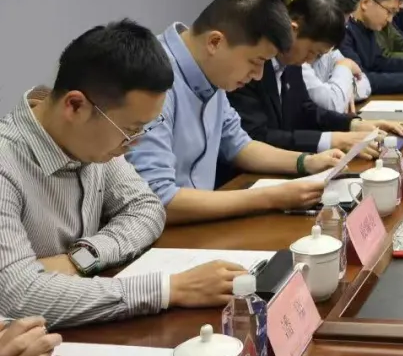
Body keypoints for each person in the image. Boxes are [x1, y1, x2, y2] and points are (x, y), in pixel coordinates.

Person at [0, 22, 249, 329]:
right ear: (75, 106)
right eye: (130, 129)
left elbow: (147, 208)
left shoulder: (94, 143)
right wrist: (169, 290)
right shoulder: (6, 164)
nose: (134, 143)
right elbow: (18, 296)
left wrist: (83, 257)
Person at [126, 0, 345, 225]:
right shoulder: (152, 76)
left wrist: (305, 162)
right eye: (256, 61)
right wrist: (271, 198)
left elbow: (239, 145)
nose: (258, 75)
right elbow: (157, 200)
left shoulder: (211, 71)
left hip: (199, 226)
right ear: (215, 42)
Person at [228, 0, 403, 155]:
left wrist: (353, 124)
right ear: (293, 30)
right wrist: (333, 140)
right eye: (312, 52)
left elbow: (306, 109)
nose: (310, 60)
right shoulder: (252, 66)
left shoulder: (292, 61)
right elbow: (256, 136)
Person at [302, 0, 370, 114]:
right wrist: (345, 66)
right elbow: (332, 104)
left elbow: (365, 84)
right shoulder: (299, 58)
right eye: (340, 26)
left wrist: (344, 92)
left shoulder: (330, 51)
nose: (342, 33)